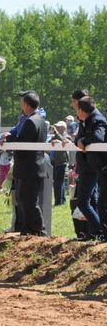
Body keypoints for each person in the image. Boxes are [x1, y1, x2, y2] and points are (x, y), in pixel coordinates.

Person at [0, 90, 47, 236]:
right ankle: (27, 231)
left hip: (28, 168)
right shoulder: (40, 120)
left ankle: (40, 232)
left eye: (22, 103)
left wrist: (8, 139)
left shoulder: (30, 121)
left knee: (29, 202)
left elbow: (22, 144)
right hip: (32, 167)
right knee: (23, 200)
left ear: (26, 105)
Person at [73, 96, 106, 239]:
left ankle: (100, 233)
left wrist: (84, 141)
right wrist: (80, 141)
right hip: (96, 167)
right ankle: (99, 233)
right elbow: (77, 139)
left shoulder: (98, 119)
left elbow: (98, 137)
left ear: (81, 109)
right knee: (97, 203)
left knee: (100, 204)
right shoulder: (85, 120)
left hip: (102, 167)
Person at [49, 121, 71, 205]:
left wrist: (57, 134)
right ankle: (62, 201)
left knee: (58, 183)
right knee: (58, 183)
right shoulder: (55, 136)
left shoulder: (66, 136)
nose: (56, 128)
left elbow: (65, 141)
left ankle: (58, 202)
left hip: (61, 162)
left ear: (63, 128)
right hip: (55, 162)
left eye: (58, 127)